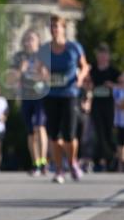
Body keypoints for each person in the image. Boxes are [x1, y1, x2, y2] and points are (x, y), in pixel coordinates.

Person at [38, 15, 90, 183]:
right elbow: (39, 69)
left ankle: (73, 161)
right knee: (54, 136)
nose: (54, 29)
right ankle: (59, 170)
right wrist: (43, 75)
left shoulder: (74, 47)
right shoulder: (45, 49)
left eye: (57, 26)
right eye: (52, 26)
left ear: (63, 28)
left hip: (70, 94)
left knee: (69, 136)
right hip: (51, 95)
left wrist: (80, 78)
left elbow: (84, 66)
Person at [10, 28, 49, 176]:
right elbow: (12, 79)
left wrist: (43, 72)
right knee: (31, 131)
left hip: (40, 96)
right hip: (26, 96)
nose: (28, 43)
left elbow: (49, 77)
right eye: (26, 40)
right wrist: (21, 69)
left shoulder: (44, 56)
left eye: (31, 39)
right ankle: (36, 163)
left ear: (38, 42)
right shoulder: (20, 57)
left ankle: (44, 161)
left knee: (40, 126)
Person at [86, 43, 119, 172]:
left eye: (105, 54)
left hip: (109, 105)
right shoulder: (92, 69)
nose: (102, 57)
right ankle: (98, 160)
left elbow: (121, 84)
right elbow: (85, 83)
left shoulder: (113, 71)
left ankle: (111, 159)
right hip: (96, 105)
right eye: (100, 54)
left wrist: (113, 85)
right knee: (98, 132)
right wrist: (88, 86)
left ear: (108, 56)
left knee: (108, 132)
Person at [113, 72, 124, 173]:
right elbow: (119, 105)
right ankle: (120, 165)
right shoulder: (117, 90)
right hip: (120, 122)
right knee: (120, 144)